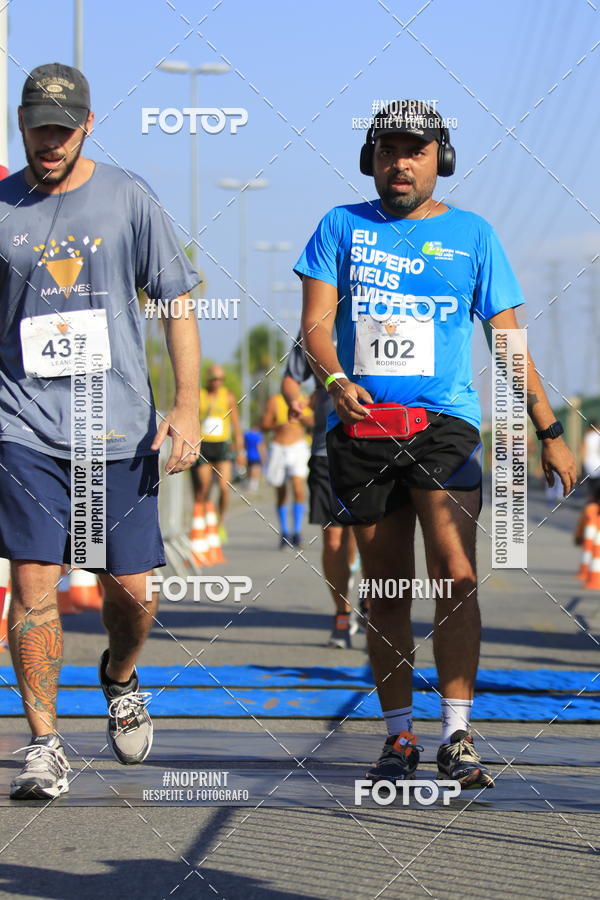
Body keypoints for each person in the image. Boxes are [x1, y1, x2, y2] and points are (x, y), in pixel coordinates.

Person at [295, 100, 577, 788]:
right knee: (387, 588)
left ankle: (458, 733)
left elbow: (507, 344)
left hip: (444, 424)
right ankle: (399, 737)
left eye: (415, 150)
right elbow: (314, 327)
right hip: (363, 426)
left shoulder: (474, 236)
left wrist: (550, 430)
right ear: (373, 159)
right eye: (389, 150)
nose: (401, 162)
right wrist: (333, 378)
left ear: (439, 158)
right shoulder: (340, 226)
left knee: (456, 574)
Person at [1, 63, 201, 799]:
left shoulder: (127, 198)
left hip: (118, 431)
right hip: (22, 426)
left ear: (87, 125)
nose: (48, 142)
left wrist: (185, 407)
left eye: (62, 128)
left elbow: (177, 300)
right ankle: (44, 743)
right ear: (20, 125)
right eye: (36, 128)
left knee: (133, 592)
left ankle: (119, 675)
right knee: (33, 581)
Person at [282, 333, 361, 648]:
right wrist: (294, 400)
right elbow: (290, 379)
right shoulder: (314, 330)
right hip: (326, 449)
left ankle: (371, 600)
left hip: (373, 446)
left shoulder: (376, 309)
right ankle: (342, 614)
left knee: (367, 535)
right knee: (333, 538)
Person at [190, 364, 244, 542]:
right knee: (204, 487)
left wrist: (240, 449)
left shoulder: (227, 397)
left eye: (220, 379)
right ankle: (204, 520)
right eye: (214, 379)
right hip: (204, 444)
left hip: (222, 445)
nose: (217, 382)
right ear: (208, 379)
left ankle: (220, 522)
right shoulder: (200, 395)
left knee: (223, 487)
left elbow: (235, 424)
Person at [261, 390, 312, 548]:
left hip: (298, 447)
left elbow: (313, 422)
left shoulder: (305, 400)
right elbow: (264, 424)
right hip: (279, 447)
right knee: (281, 491)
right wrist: (279, 425)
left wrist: (301, 417)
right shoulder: (274, 400)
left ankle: (296, 532)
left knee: (298, 488)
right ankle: (284, 533)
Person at [243, 422, 265, 493]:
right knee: (255, 471)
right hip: (256, 456)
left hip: (248, 455)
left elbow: (244, 445)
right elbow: (259, 447)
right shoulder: (258, 436)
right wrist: (263, 456)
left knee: (249, 470)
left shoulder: (247, 435)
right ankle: (253, 487)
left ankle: (248, 486)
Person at [581, 421, 600, 498]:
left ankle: (592, 505)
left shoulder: (586, 436)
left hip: (589, 466)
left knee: (591, 490)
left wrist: (582, 464)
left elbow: (583, 452)